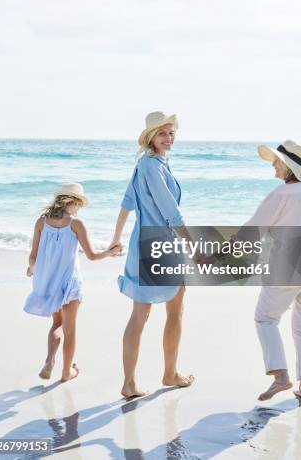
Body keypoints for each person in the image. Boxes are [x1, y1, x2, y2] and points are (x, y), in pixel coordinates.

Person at [242, 140, 301, 402]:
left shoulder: (279, 195)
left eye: (275, 165)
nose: (274, 171)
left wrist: (216, 256)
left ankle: (281, 376)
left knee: (265, 319)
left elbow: (251, 231)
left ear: (285, 165)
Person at [110, 111, 194, 399]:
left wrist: (116, 238)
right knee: (171, 310)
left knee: (141, 314)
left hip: (141, 243)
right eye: (162, 133)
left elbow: (126, 204)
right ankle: (168, 374)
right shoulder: (153, 167)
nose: (168, 138)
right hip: (160, 245)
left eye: (171, 133)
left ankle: (130, 382)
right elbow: (172, 213)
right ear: (150, 136)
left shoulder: (146, 164)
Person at [24, 183, 122, 382]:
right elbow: (92, 256)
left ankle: (49, 361)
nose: (79, 208)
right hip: (69, 282)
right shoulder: (76, 224)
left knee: (57, 323)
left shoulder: (41, 222)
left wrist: (32, 270)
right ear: (75, 202)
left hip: (48, 281)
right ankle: (66, 372)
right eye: (80, 204)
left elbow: (33, 257)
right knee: (70, 328)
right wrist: (110, 253)